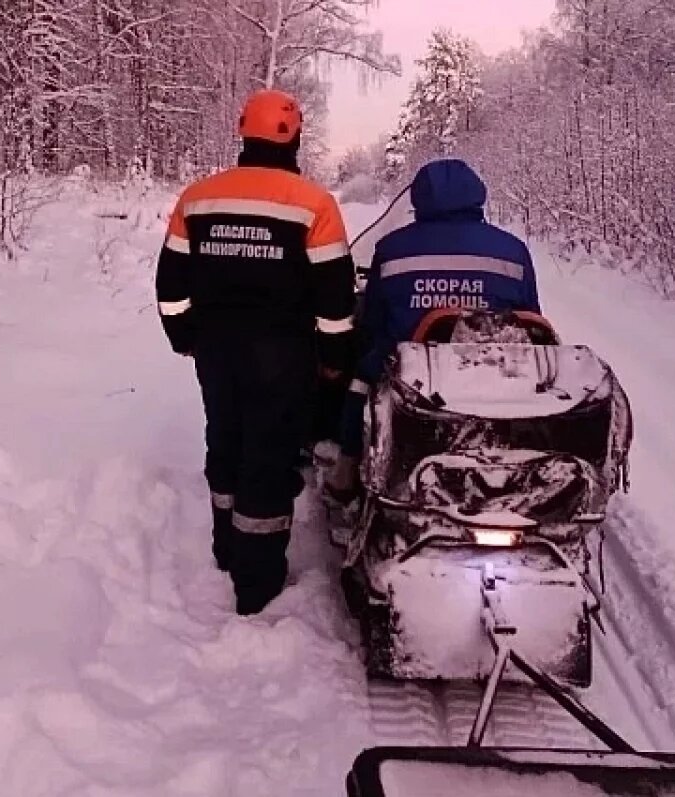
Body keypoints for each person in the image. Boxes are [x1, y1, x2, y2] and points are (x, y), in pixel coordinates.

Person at [155, 89, 356, 615]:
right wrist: (334, 359)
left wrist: (185, 337)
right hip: (285, 355)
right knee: (268, 455)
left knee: (225, 437)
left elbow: (170, 283)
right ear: (295, 136)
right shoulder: (315, 205)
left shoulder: (198, 198)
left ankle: (226, 548)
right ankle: (257, 580)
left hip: (216, 351)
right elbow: (337, 300)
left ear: (244, 132)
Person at [326, 158, 540, 501]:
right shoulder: (513, 251)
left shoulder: (393, 248)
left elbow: (374, 319)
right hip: (493, 370)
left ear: (419, 199)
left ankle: (346, 470)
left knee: (360, 379)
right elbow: (530, 320)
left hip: (414, 373)